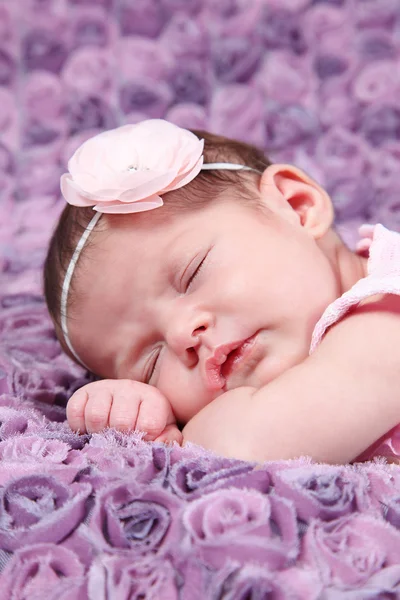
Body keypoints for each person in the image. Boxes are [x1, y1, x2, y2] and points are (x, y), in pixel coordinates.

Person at [44, 119, 400, 464]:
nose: (183, 334)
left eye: (192, 274)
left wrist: (182, 435)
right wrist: (136, 416)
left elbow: (245, 445)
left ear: (296, 206)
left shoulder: (387, 312)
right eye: (151, 364)